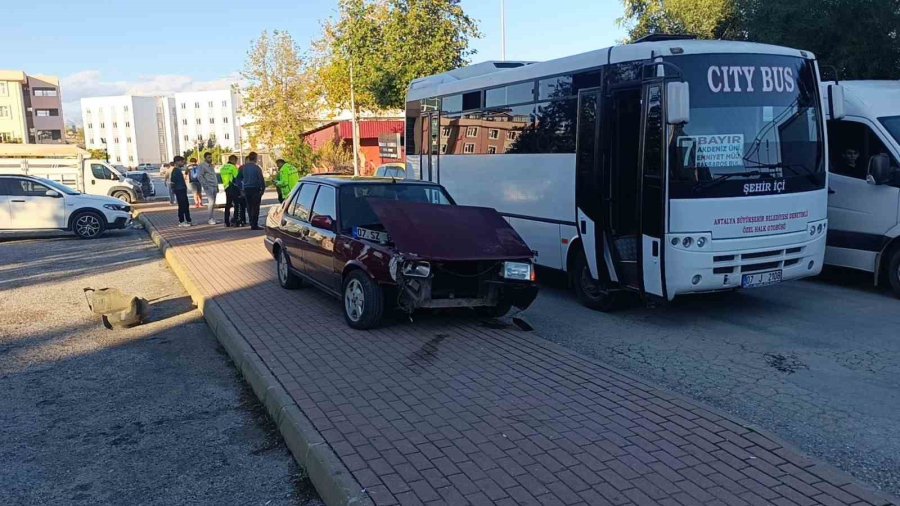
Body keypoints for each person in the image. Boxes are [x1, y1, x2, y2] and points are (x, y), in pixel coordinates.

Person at [239, 152, 266, 230]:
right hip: (255, 189)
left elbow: (238, 178)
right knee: (256, 207)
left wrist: (241, 188)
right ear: (255, 158)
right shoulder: (257, 168)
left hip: (247, 189)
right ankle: (255, 224)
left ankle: (251, 222)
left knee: (249, 207)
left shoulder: (243, 168)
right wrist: (263, 189)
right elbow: (261, 179)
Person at [197, 152, 219, 225]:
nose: (210, 158)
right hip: (208, 186)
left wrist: (217, 185)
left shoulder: (211, 166)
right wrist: (205, 185)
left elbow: (214, 176)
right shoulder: (202, 166)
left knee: (213, 203)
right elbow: (200, 176)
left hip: (214, 185)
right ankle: (210, 218)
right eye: (209, 157)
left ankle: (212, 217)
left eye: (211, 157)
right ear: (205, 158)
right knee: (211, 202)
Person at [169, 156, 192, 227]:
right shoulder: (175, 171)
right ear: (177, 162)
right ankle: (181, 221)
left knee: (186, 205)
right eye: (181, 162)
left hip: (182, 189)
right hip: (179, 190)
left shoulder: (178, 170)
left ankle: (188, 220)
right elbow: (173, 182)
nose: (183, 163)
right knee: (182, 205)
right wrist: (174, 190)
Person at [220, 154, 240, 227]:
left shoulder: (223, 167)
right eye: (236, 161)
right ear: (233, 160)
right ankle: (235, 220)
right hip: (233, 187)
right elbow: (237, 177)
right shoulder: (233, 167)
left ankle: (226, 221)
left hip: (226, 187)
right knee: (236, 205)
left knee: (227, 205)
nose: (236, 162)